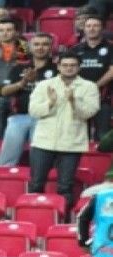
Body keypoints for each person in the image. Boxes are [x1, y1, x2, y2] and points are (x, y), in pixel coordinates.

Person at [28, 52, 99, 217]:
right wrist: (51, 102)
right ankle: (35, 217)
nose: (69, 68)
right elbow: (33, 111)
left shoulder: (89, 87)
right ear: (58, 67)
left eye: (73, 65)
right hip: (43, 143)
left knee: (65, 187)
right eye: (65, 65)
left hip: (71, 144)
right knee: (36, 183)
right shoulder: (45, 85)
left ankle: (63, 221)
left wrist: (74, 101)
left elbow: (89, 112)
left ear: (79, 67)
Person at [0, 32, 56, 167]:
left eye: (45, 44)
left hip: (45, 119)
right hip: (19, 117)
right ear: (30, 47)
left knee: (39, 160)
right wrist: (23, 82)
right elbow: (4, 91)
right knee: (6, 160)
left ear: (51, 47)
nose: (40, 47)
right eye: (37, 44)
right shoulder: (19, 68)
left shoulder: (57, 69)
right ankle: (4, 178)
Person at [72, 15, 113, 142]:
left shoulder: (111, 47)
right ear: (84, 29)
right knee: (79, 137)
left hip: (103, 98)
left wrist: (94, 86)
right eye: (88, 26)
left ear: (102, 28)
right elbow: (68, 71)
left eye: (96, 25)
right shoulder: (75, 49)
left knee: (102, 137)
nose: (92, 28)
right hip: (80, 98)